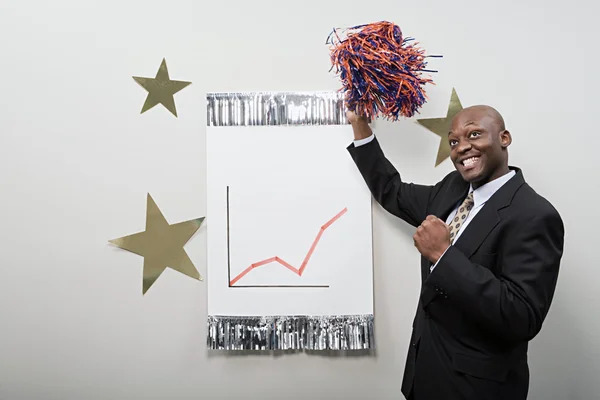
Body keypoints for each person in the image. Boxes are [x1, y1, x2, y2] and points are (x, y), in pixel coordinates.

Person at [346, 106, 564, 400]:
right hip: (424, 378)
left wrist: (443, 256)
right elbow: (392, 191)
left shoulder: (534, 214)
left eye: (474, 134)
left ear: (504, 138)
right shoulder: (453, 187)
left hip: (477, 390)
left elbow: (521, 316)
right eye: (453, 141)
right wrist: (360, 126)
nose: (462, 147)